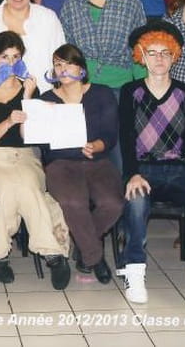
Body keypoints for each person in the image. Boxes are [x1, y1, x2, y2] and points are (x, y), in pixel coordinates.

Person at [118, 20, 185, 305]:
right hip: (143, 170)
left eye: (165, 52)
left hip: (180, 170)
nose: (159, 58)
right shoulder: (130, 91)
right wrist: (132, 174)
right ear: (141, 56)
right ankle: (134, 270)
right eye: (152, 52)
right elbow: (126, 138)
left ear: (174, 55)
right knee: (136, 201)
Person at [0, 31, 71, 290]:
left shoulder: (30, 90)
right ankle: (0, 252)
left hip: (23, 156)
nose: (11, 62)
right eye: (5, 57)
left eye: (16, 57)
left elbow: (30, 137)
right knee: (6, 188)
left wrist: (27, 99)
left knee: (26, 186)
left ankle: (50, 253)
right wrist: (7, 121)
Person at [40, 44, 123, 284]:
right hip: (60, 164)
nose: (63, 69)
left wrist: (96, 145)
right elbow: (41, 142)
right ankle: (94, 257)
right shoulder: (46, 99)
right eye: (58, 64)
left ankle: (85, 244)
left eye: (69, 63)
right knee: (73, 202)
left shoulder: (102, 94)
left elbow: (111, 135)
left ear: (81, 68)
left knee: (113, 203)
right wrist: (39, 118)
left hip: (96, 160)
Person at [59, 0, 146, 174]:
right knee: (84, 151)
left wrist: (142, 89)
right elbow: (67, 53)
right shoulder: (71, 4)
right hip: (83, 89)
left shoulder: (130, 2)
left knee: (119, 152)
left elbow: (140, 49)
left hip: (120, 87)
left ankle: (124, 192)